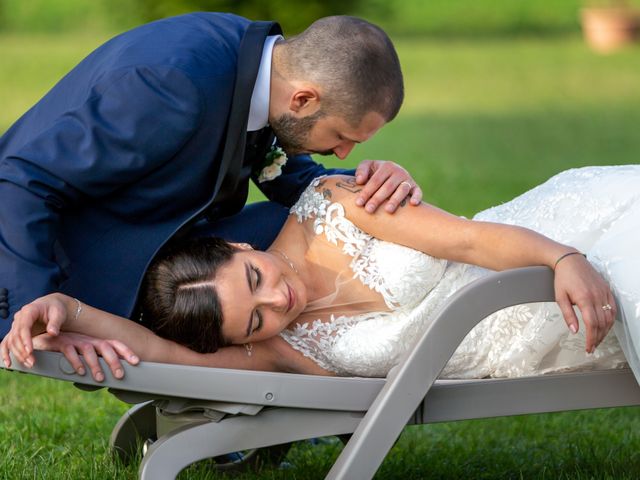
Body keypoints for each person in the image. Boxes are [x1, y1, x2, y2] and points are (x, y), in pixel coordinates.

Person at [3, 166, 638, 382]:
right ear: (244, 339)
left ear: (234, 243)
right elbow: (154, 350)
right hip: (534, 336)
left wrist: (563, 258)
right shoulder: (277, 350)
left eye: (254, 276)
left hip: (550, 247)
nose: (278, 298)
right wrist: (64, 309)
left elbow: (471, 240)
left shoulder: (337, 207)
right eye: (254, 318)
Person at [0, 13, 422, 338]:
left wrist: (375, 183)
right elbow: (20, 179)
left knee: (315, 228)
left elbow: (291, 180)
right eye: (344, 138)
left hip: (163, 237)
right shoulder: (171, 87)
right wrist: (37, 307)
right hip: (65, 261)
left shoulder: (262, 70)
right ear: (304, 99)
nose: (344, 151)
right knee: (274, 267)